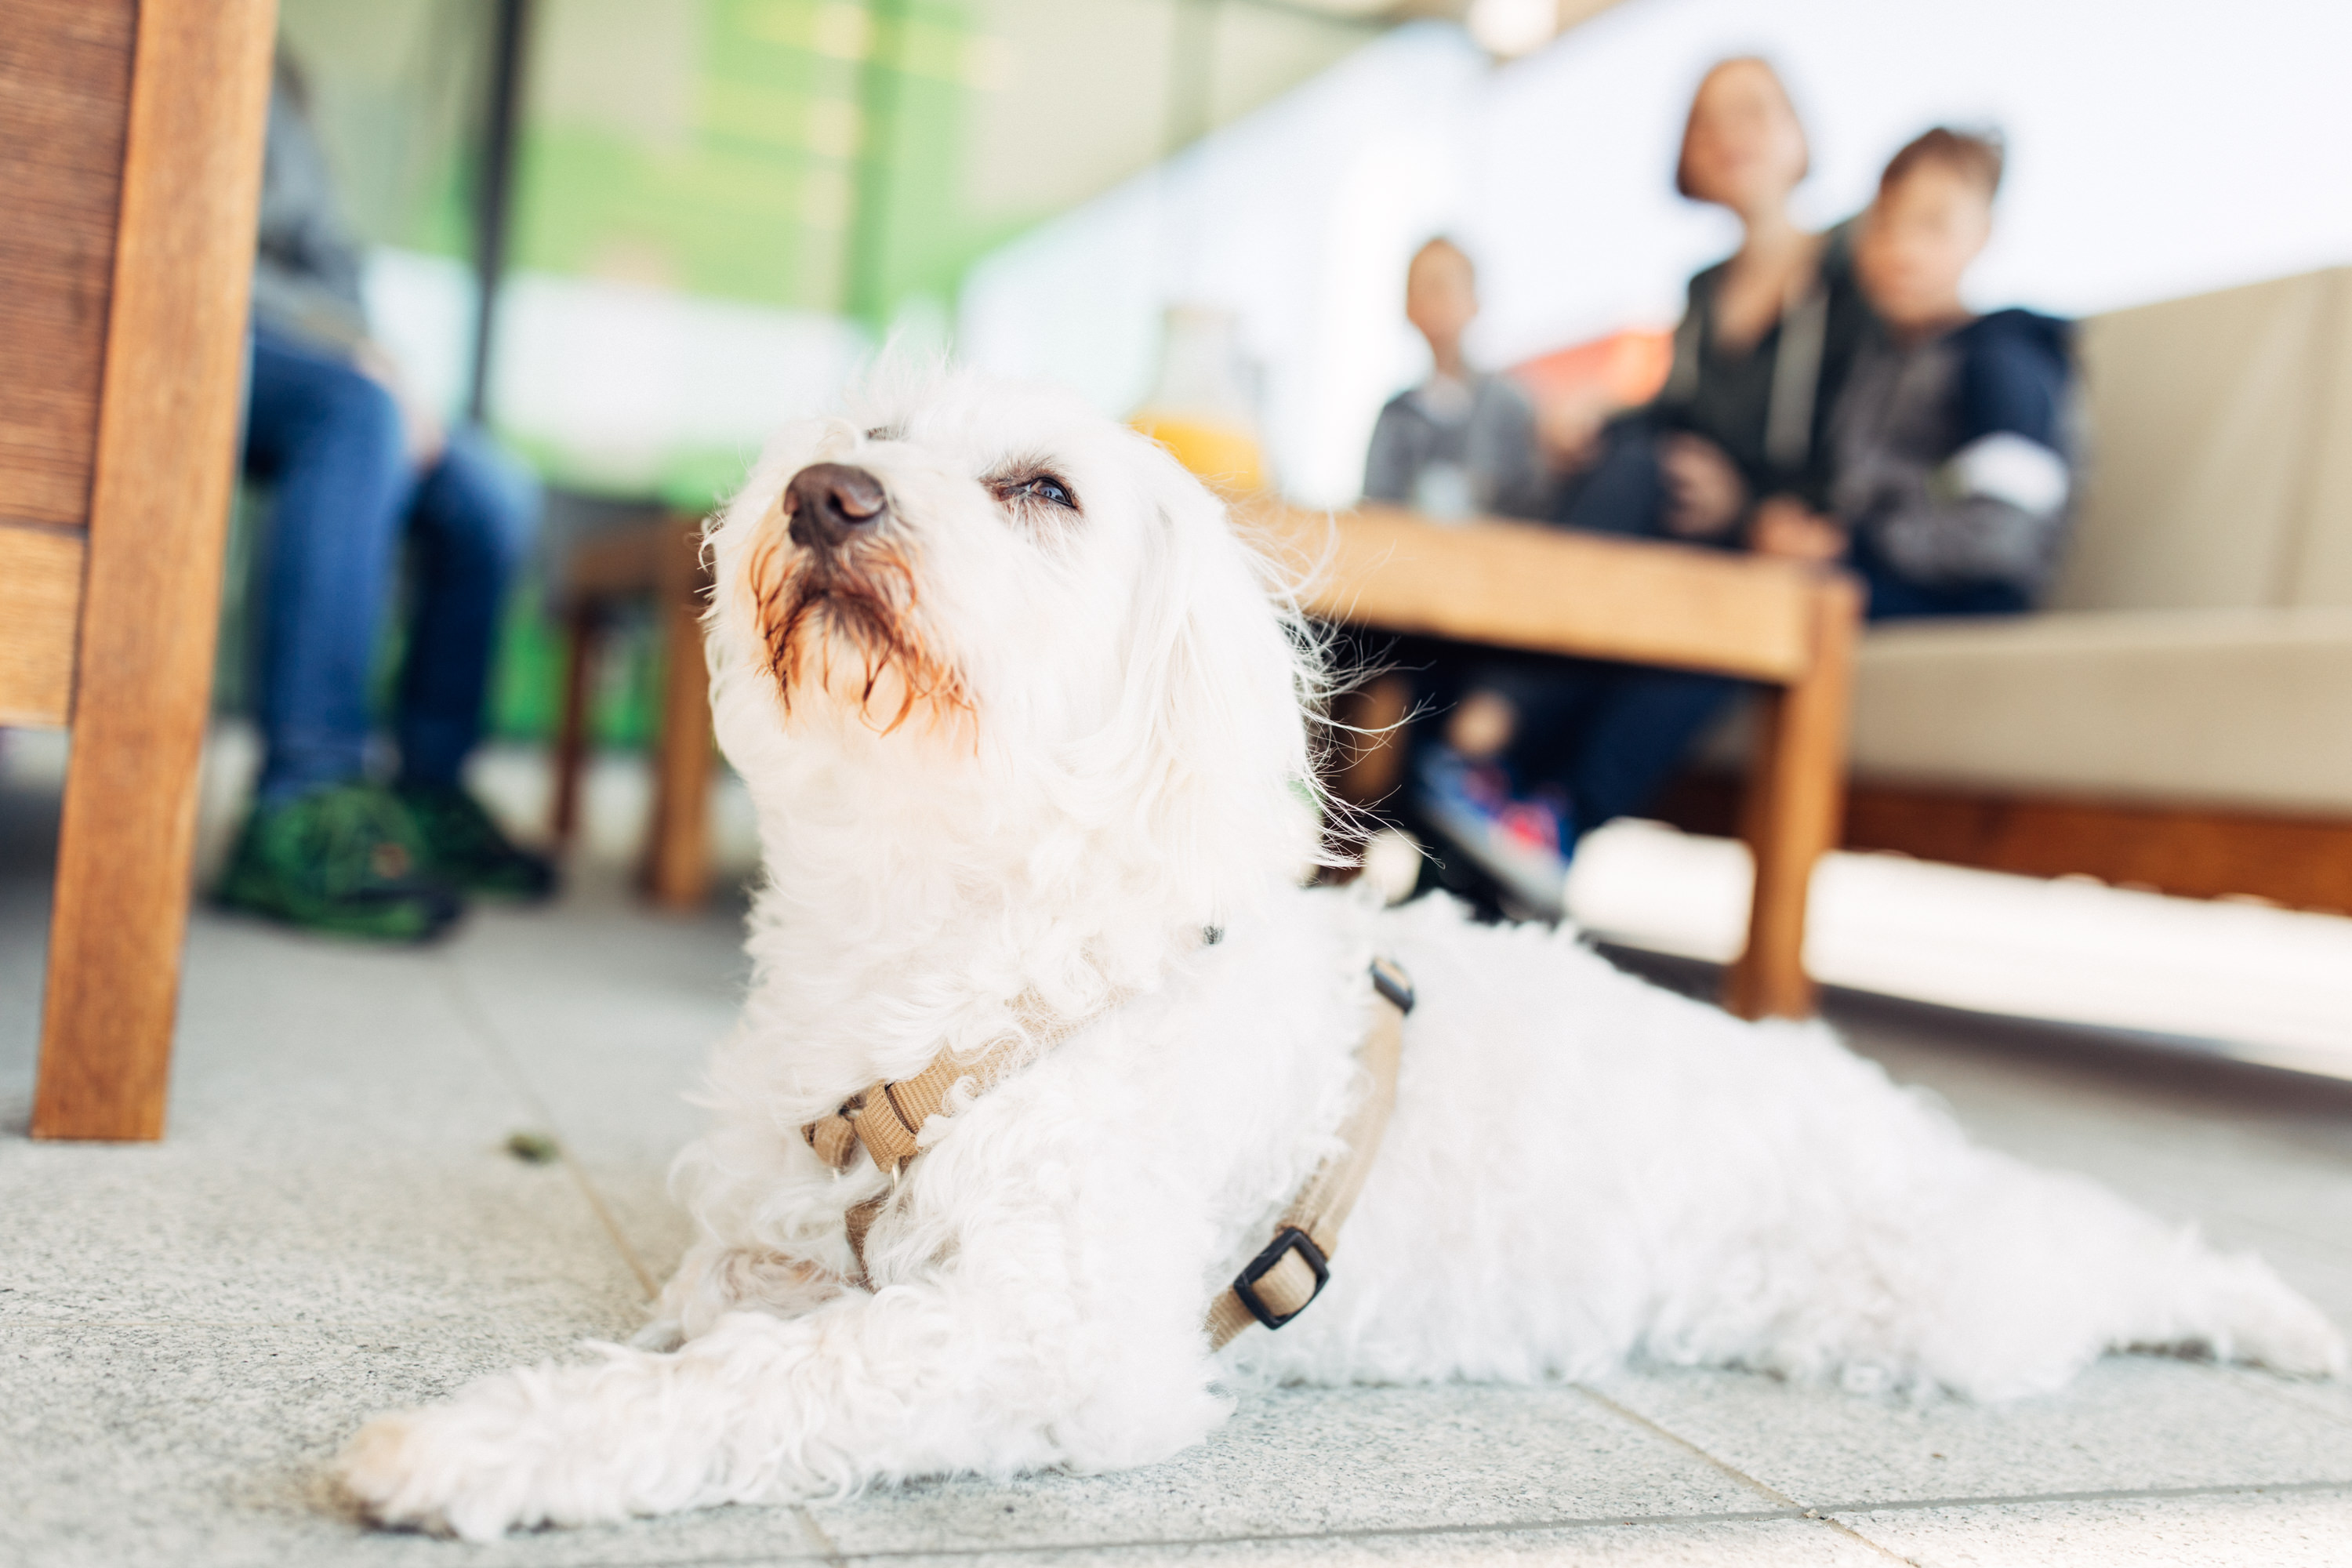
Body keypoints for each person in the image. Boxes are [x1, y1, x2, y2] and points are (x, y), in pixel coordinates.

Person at [1404, 58, 1870, 914]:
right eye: (1707, 120)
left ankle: (1486, 738)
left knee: (1629, 510)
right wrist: (1595, 416)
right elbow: (1677, 414)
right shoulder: (1704, 293)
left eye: (1754, 112)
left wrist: (1747, 500)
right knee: (1613, 470)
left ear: (1800, 135)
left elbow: (1860, 439)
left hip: (1766, 543)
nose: (1730, 135)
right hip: (1676, 533)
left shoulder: (1851, 272)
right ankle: (1491, 801)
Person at [215, 50, 554, 942]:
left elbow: (334, 269)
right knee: (357, 416)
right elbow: (187, 228)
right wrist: (356, 361)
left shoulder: (281, 75)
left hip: (321, 345)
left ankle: (428, 787)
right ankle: (303, 795)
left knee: (494, 491)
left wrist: (384, 360)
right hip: (199, 317)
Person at [1750, 128, 2077, 619]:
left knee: (1760, 610)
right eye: (1885, 224)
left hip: (1955, 598)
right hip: (1865, 577)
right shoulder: (1878, 361)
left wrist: (1845, 549)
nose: (1901, 249)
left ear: (1982, 234)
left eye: (1933, 226)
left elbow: (2002, 538)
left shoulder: (2002, 360)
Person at [1363, 238, 1552, 521]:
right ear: (1407, 307)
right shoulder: (1396, 416)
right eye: (1420, 289)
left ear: (1473, 302)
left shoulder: (1509, 405)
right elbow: (1376, 510)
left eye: (1442, 287)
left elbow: (1535, 503)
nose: (1432, 302)